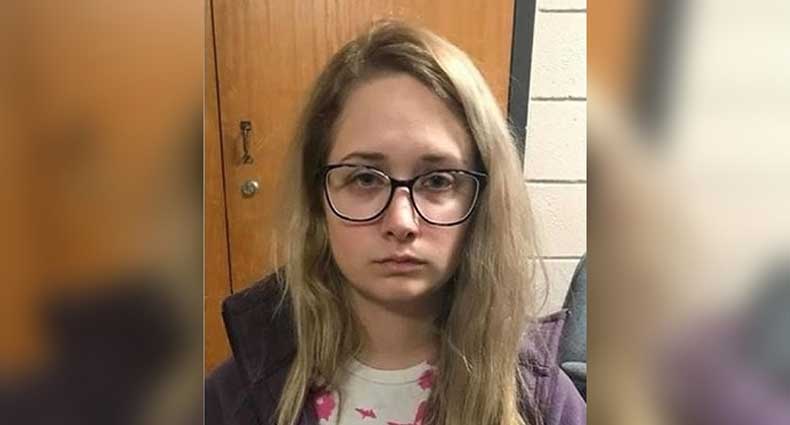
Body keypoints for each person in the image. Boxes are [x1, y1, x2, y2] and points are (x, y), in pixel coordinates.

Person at [205, 20, 585, 425]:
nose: (401, 222)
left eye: (438, 180)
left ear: (483, 199)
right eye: (365, 179)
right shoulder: (239, 396)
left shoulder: (536, 398)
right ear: (318, 199)